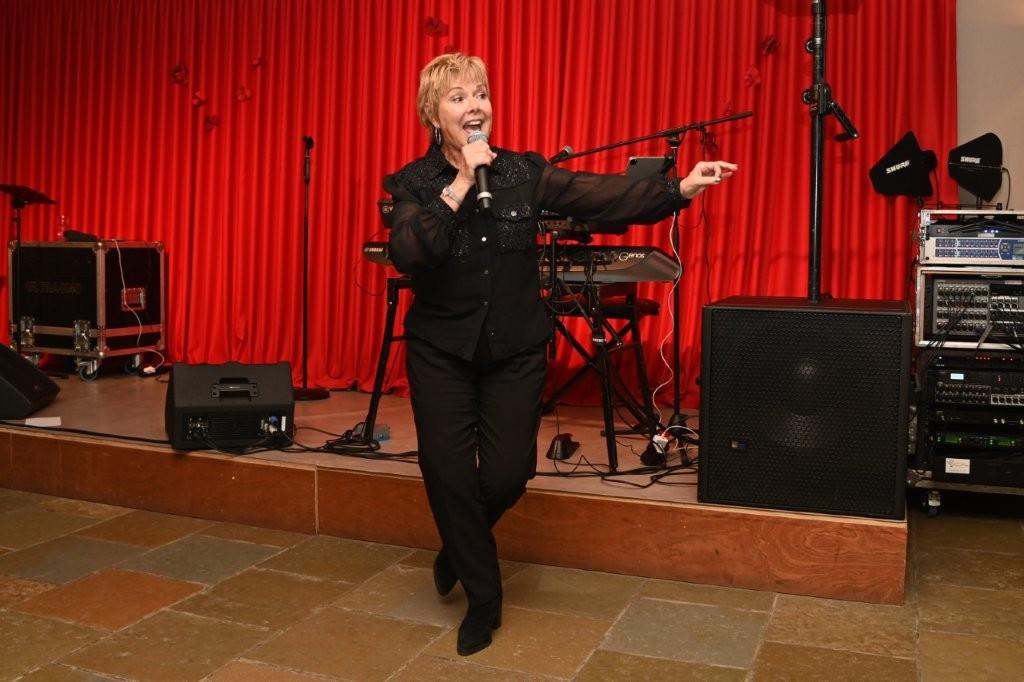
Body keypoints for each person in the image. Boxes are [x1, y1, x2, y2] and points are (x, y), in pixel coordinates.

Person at [384, 52, 736, 656]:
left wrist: (677, 188)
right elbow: (412, 253)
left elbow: (599, 195)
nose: (474, 106)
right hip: (441, 352)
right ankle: (484, 599)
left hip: (516, 350)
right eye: (458, 97)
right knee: (446, 472)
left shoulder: (524, 171)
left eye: (480, 94)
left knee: (508, 474)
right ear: (433, 114)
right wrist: (462, 182)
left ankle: (459, 549)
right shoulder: (413, 183)